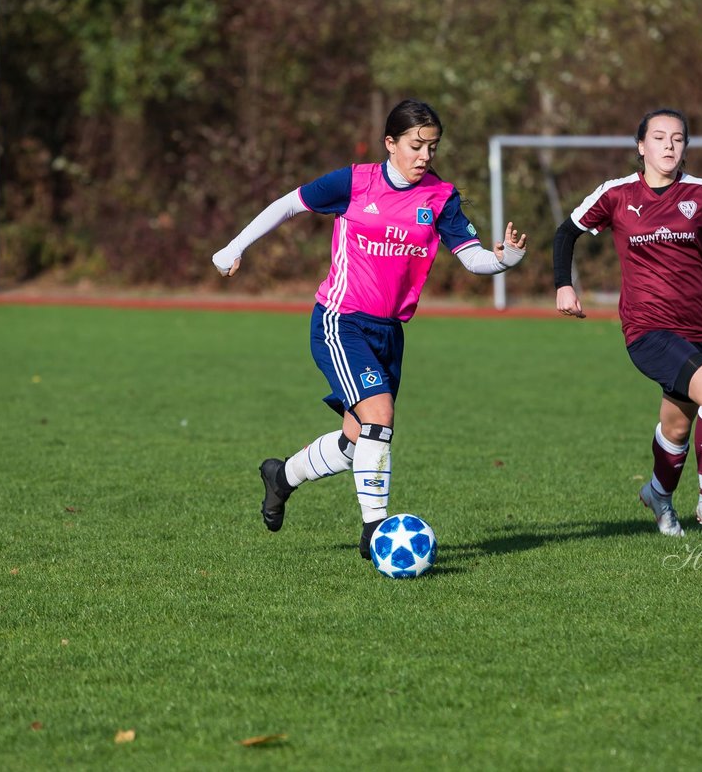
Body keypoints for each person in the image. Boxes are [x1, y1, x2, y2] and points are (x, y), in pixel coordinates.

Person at [212, 99, 528, 558]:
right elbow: (288, 205)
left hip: (389, 332)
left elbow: (471, 256)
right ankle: (375, 533)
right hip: (341, 321)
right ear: (390, 143)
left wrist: (502, 260)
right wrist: (233, 247)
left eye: (432, 148)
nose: (425, 156)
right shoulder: (355, 182)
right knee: (379, 418)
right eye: (416, 145)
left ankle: (280, 477)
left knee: (357, 439)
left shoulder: (440, 197)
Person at [552, 107, 702, 541]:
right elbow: (565, 232)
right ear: (641, 146)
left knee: (677, 426)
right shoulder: (616, 194)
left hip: (699, 330)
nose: (669, 145)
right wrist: (563, 286)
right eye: (659, 137)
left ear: (685, 147)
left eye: (677, 138)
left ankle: (657, 494)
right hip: (646, 329)